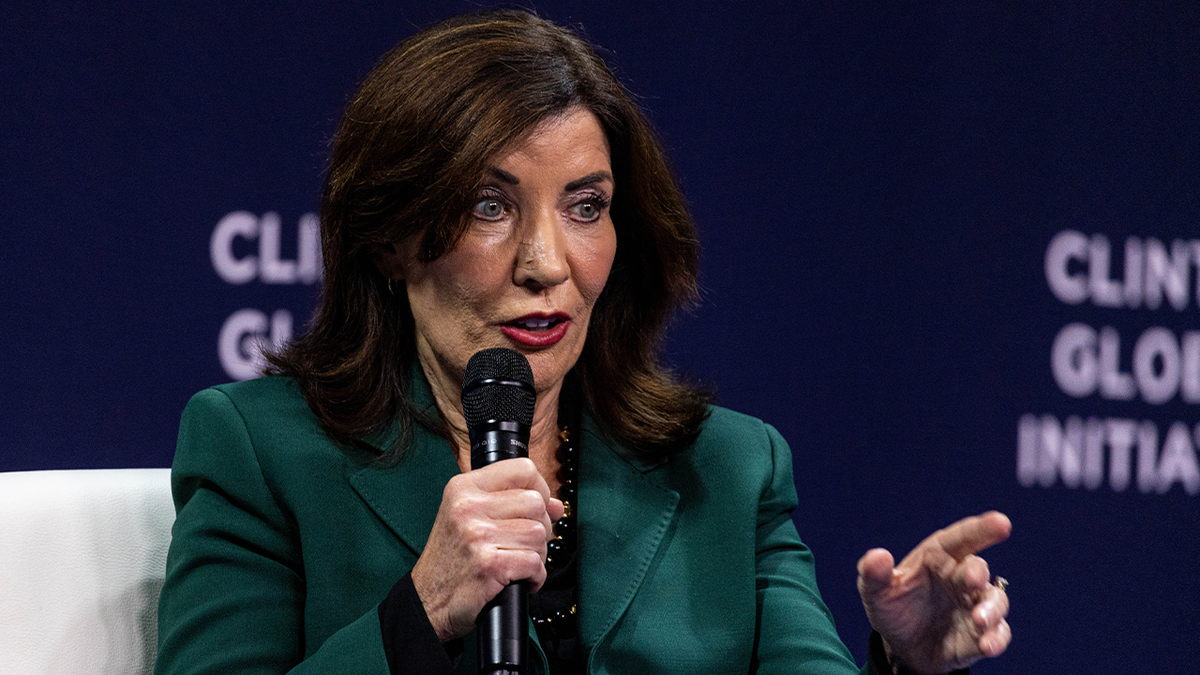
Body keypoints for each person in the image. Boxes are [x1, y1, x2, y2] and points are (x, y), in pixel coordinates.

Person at [155, 9, 1011, 675]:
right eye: (490, 206)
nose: (546, 262)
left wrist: (909, 663)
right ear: (391, 235)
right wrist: (418, 610)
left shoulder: (729, 467)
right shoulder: (263, 450)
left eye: (586, 206)